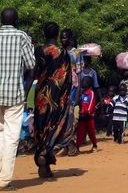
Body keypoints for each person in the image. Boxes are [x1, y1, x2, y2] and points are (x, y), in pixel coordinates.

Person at [0, 8, 35, 190]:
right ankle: (4, 180)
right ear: (16, 20)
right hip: (14, 94)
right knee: (11, 137)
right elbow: (31, 64)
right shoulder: (21, 36)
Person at [33, 22, 73, 179]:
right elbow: (67, 78)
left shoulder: (39, 51)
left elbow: (34, 71)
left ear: (44, 34)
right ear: (57, 35)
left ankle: (43, 156)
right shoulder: (62, 53)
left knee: (41, 124)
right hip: (56, 96)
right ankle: (46, 154)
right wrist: (66, 97)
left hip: (41, 93)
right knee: (54, 125)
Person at [76, 76, 98, 152]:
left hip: (89, 117)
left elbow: (92, 103)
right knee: (80, 132)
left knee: (91, 131)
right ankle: (77, 146)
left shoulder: (91, 93)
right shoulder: (81, 93)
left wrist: (88, 111)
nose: (83, 83)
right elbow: (79, 103)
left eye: (85, 81)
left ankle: (94, 145)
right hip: (82, 116)